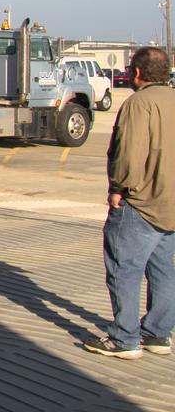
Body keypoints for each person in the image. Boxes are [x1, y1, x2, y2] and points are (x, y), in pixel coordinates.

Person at [85, 47, 175, 359]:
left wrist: (119, 188)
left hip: (142, 203)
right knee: (163, 268)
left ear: (136, 73)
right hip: (171, 203)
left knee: (124, 268)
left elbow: (130, 154)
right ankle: (158, 333)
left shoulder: (139, 103)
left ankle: (125, 338)